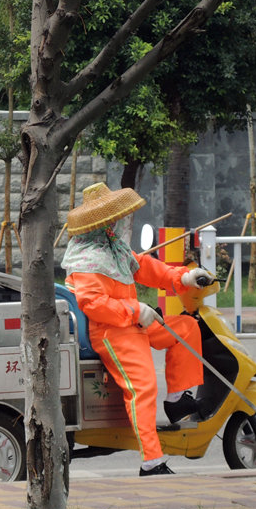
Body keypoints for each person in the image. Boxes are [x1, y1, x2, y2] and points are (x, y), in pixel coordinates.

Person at [61, 183, 211, 477]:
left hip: (134, 322)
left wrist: (186, 276)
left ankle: (178, 400)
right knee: (143, 388)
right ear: (99, 223)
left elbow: (145, 267)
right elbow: (93, 304)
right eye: (110, 218)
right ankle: (151, 461)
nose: (115, 222)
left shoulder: (113, 247)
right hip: (112, 332)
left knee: (186, 327)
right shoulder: (86, 261)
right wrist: (134, 310)